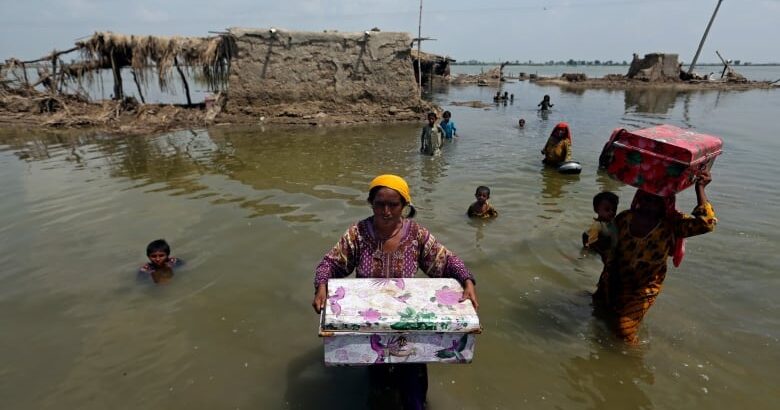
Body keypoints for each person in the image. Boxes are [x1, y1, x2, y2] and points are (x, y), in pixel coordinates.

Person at [312, 174, 478, 410]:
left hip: (408, 317)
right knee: (379, 385)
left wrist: (467, 280)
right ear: (371, 203)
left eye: (393, 205)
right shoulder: (358, 234)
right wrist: (321, 285)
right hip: (371, 321)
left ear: (404, 206)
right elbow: (330, 263)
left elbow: (446, 260)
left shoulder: (417, 235)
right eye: (380, 204)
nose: (386, 211)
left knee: (414, 385)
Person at [592, 172, 717, 344]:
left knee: (624, 331)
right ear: (639, 199)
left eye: (656, 201)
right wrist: (597, 244)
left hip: (643, 289)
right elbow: (605, 242)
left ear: (665, 204)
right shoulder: (625, 218)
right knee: (598, 314)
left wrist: (700, 188)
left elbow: (707, 223)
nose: (649, 205)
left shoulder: (671, 225)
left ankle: (633, 363)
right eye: (646, 199)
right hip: (613, 280)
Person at [582, 191, 619, 261]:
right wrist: (603, 254)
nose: (612, 212)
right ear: (596, 210)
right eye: (607, 209)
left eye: (614, 209)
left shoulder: (612, 223)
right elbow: (590, 244)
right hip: (596, 256)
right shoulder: (597, 225)